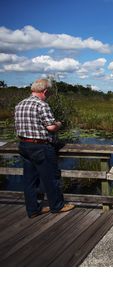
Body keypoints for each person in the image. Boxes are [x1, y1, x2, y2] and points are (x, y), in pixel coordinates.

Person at [14, 78, 75, 218]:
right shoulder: (41, 105)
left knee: (30, 180)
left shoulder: (20, 104)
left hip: (24, 145)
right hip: (40, 146)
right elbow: (51, 127)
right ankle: (57, 206)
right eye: (48, 93)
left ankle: (33, 209)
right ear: (45, 91)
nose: (47, 96)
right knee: (51, 178)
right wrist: (59, 123)